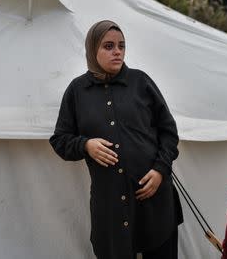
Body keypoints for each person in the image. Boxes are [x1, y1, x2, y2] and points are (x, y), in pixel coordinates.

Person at [49, 20, 182, 259]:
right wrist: (85, 145)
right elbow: (60, 140)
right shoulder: (77, 91)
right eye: (108, 46)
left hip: (154, 201)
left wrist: (161, 170)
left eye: (121, 45)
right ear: (92, 50)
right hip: (110, 206)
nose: (117, 51)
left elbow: (169, 132)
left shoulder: (141, 82)